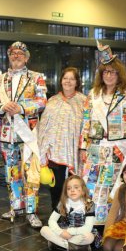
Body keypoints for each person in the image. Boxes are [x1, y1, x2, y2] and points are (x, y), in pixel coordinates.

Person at [79, 44, 126, 226]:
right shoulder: (92, 95)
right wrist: (82, 147)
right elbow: (86, 123)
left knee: (111, 188)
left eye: (113, 72)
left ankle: (109, 225)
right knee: (90, 186)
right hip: (95, 148)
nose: (108, 75)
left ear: (119, 74)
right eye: (105, 72)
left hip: (118, 149)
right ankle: (91, 224)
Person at [0, 41, 47, 228]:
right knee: (11, 172)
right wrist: (2, 106)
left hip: (28, 133)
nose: (16, 56)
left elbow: (42, 102)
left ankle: (31, 211)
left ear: (27, 57)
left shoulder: (36, 77)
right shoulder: (0, 80)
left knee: (31, 172)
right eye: (13, 53)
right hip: (7, 134)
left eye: (20, 53)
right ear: (9, 55)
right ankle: (16, 207)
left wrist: (21, 108)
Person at [38, 67, 87, 211]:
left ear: (77, 82)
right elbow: (44, 126)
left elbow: (87, 126)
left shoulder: (84, 101)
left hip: (75, 150)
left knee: (74, 184)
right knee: (57, 184)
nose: (68, 81)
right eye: (65, 78)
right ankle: (56, 212)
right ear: (61, 81)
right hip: (55, 151)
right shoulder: (52, 101)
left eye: (72, 79)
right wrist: (43, 149)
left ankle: (74, 212)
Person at [40, 175, 95, 251]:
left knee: (89, 237)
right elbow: (52, 220)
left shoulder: (89, 204)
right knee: (44, 230)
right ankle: (77, 248)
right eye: (69, 188)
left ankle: (57, 244)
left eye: (76, 187)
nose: (72, 190)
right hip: (64, 232)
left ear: (83, 190)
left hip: (80, 232)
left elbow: (88, 228)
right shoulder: (63, 202)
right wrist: (61, 233)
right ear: (66, 191)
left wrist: (70, 232)